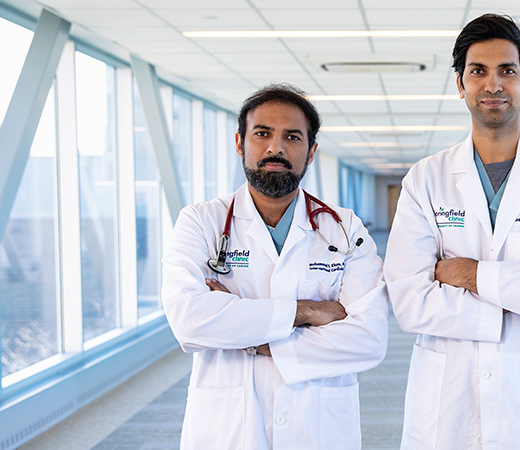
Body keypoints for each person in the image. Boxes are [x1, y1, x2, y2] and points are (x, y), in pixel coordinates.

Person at [383, 14, 520, 450]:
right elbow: (409, 302)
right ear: (460, 83)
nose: (492, 85)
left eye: (506, 70)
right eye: (478, 71)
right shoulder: (425, 179)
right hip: (448, 398)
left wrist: (467, 274)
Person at [162, 83, 389, 450]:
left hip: (317, 426)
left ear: (311, 151)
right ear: (240, 143)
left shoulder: (345, 229)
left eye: (292, 137)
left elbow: (368, 341)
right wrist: (308, 311)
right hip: (229, 426)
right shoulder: (200, 222)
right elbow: (189, 321)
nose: (275, 148)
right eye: (262, 133)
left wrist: (250, 337)